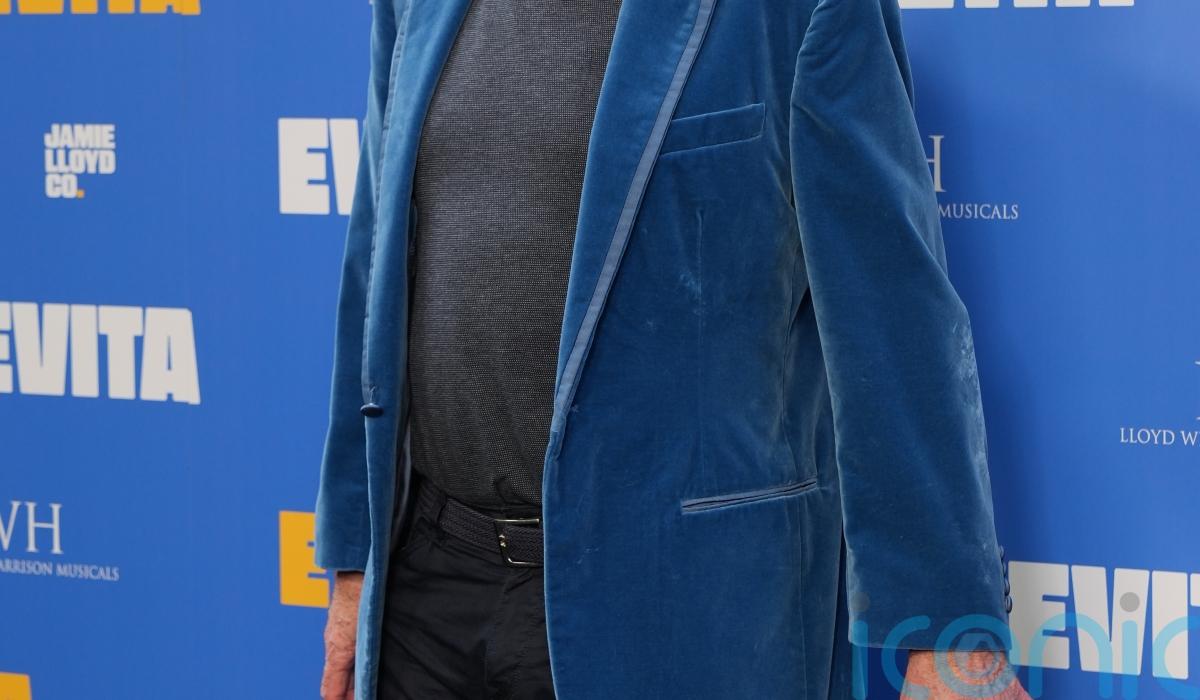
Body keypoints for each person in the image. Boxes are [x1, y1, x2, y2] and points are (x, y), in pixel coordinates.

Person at [315, 0, 1031, 698]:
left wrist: (949, 631)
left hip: (682, 604)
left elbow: (892, 309)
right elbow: (374, 269)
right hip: (429, 591)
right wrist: (354, 563)